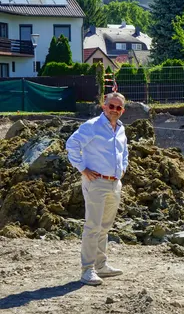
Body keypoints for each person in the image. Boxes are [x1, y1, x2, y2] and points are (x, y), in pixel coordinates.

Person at [66, 92, 129, 286]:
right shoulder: (92, 126)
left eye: (119, 108)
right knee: (93, 226)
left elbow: (124, 151)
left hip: (114, 183)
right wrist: (83, 168)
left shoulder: (120, 128)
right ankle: (87, 269)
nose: (115, 110)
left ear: (123, 110)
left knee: (105, 226)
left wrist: (123, 168)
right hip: (96, 183)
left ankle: (101, 265)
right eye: (111, 106)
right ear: (104, 106)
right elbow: (72, 144)